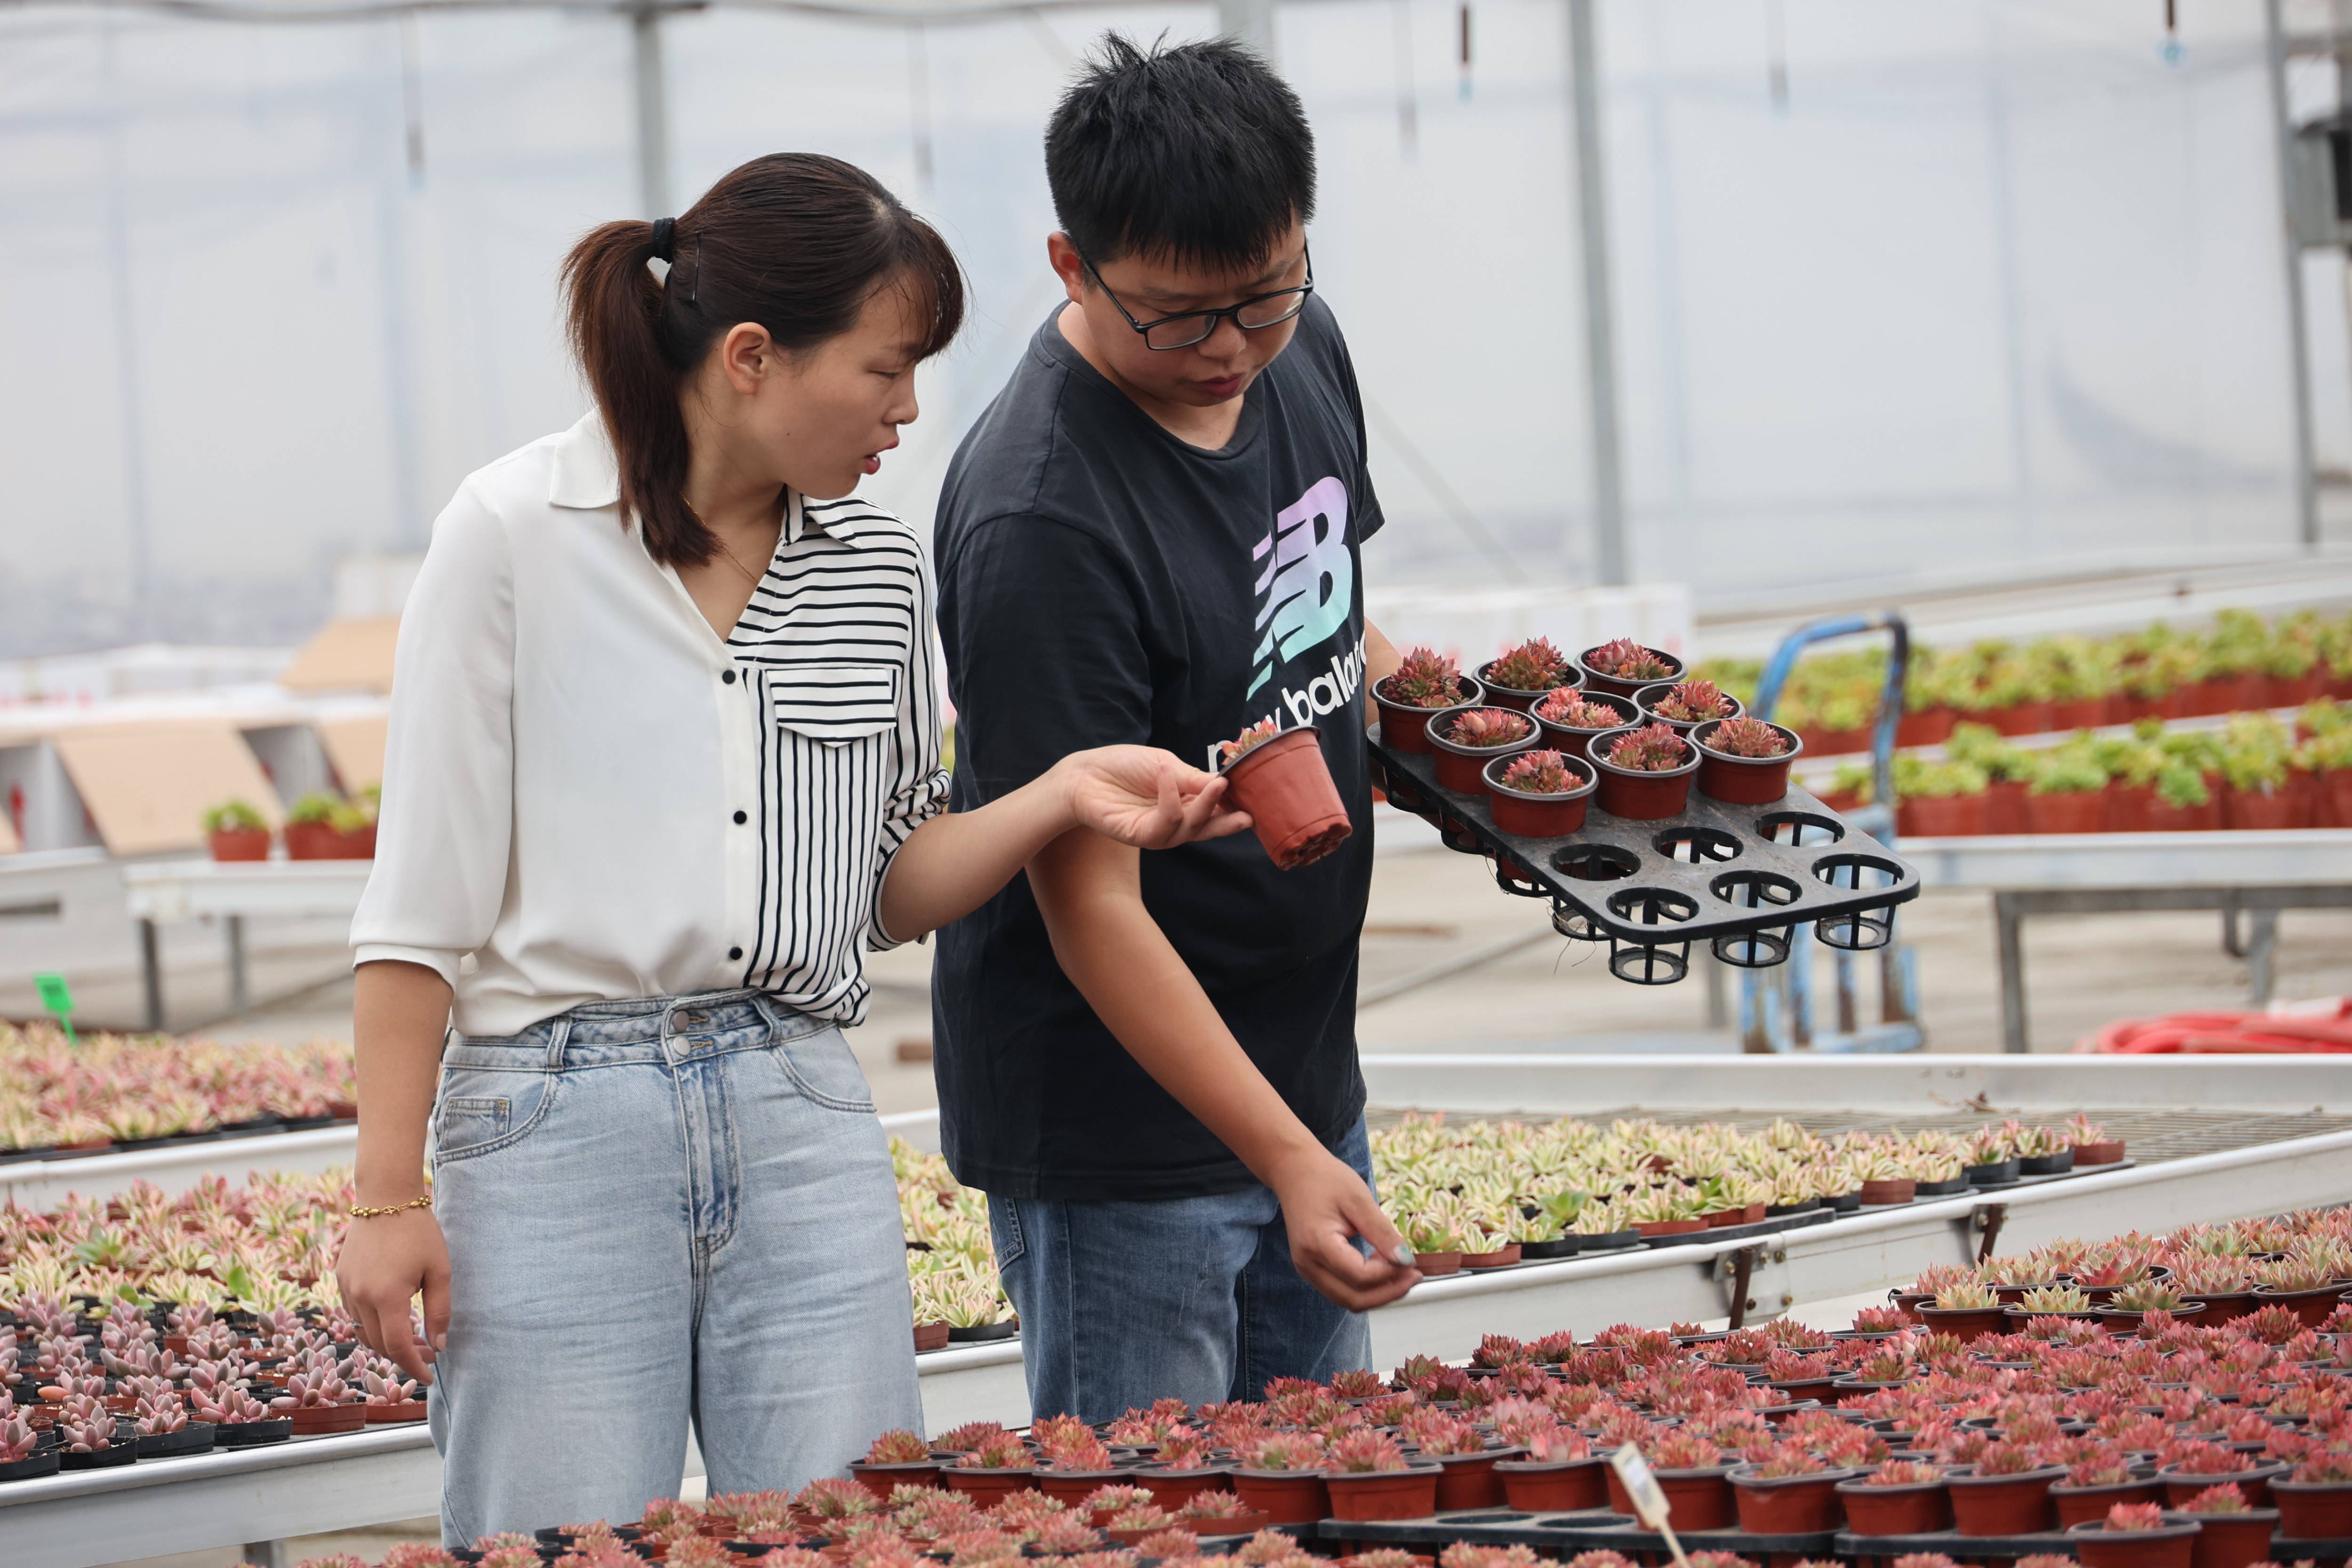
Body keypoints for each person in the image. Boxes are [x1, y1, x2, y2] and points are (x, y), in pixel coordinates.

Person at [335, 152, 1245, 1544]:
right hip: (559, 1124)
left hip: (797, 1108)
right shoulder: (515, 536)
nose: (909, 409)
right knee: (566, 1539)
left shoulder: (876, 568)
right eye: (886, 370)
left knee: (846, 1532)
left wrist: (1061, 793)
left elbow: (887, 887)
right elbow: (419, 911)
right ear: (752, 356)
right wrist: (386, 1196)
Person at [931, 36, 1420, 1425]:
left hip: (1302, 1076)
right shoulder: (1043, 516)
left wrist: (1476, 743)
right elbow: (1092, 909)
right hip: (1126, 1144)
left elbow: (1335, 624)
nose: (1227, 351)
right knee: (1162, 1514)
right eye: (1178, 318)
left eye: (1262, 298)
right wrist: (1282, 1157)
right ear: (1071, 266)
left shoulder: (1298, 348)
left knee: (1325, 1497)